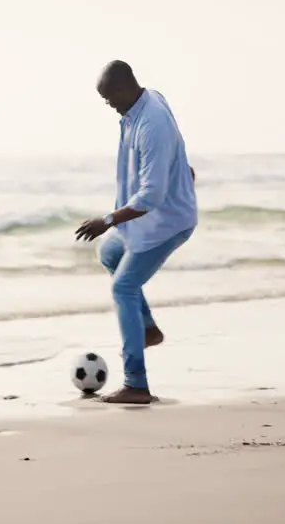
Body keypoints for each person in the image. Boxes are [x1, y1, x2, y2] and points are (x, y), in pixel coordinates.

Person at [75, 61, 197, 405]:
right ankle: (147, 329)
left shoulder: (151, 122)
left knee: (123, 287)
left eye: (109, 97)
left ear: (125, 87)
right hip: (148, 218)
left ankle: (136, 384)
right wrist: (180, 167)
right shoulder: (144, 103)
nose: (108, 104)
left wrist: (108, 219)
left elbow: (152, 197)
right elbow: (174, 144)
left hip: (166, 221)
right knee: (109, 253)